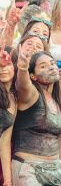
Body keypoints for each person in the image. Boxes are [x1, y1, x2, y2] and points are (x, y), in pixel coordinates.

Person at [12, 51, 61, 186]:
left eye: (52, 63)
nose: (51, 67)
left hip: (56, 171)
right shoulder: (31, 95)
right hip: (29, 170)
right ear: (33, 76)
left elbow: (60, 143)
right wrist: (23, 68)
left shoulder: (57, 101)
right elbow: (23, 85)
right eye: (43, 66)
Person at [0, 46, 18, 186]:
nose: (3, 69)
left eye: (8, 64)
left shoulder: (14, 98)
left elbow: (5, 142)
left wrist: (7, 180)